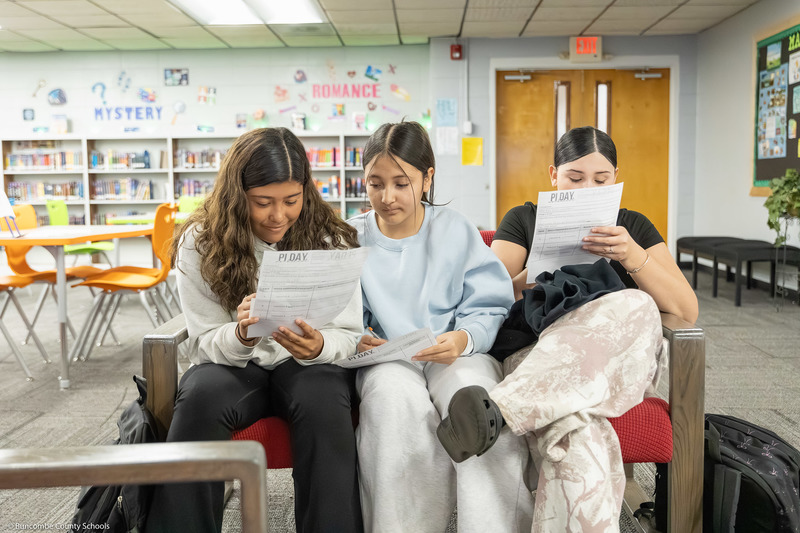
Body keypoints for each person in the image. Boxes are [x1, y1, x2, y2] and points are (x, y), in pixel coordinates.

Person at [437, 126, 699, 533]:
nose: (588, 189)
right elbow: (481, 296)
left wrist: (632, 256)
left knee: (635, 303)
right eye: (575, 178)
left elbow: (686, 309)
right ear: (553, 175)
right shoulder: (524, 219)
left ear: (616, 180)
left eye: (601, 180)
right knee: (577, 444)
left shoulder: (633, 227)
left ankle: (502, 410)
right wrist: (530, 277)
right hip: (540, 353)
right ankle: (511, 410)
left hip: (614, 362)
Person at [145, 128, 364, 533]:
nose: (278, 215)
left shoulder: (329, 237)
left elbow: (350, 334)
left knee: (324, 398)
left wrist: (318, 345)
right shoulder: (201, 240)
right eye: (262, 202)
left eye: (291, 201)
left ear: (306, 191)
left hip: (307, 364)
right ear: (236, 193)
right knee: (200, 396)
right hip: (232, 365)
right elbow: (203, 341)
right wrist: (241, 334)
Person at [348, 121, 534, 533]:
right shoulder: (349, 238)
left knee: (484, 410)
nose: (388, 196)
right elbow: (341, 316)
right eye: (375, 183)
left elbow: (490, 302)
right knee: (393, 407)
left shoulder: (454, 229)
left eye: (402, 183)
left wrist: (466, 337)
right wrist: (355, 337)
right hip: (387, 361)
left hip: (455, 354)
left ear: (427, 177)